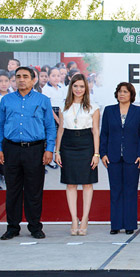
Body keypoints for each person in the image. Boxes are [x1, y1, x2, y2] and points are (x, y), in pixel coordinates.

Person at [0, 67, 56, 240]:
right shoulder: (6, 100)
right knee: (12, 190)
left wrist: (49, 149)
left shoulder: (42, 100)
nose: (21, 80)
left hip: (35, 150)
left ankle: (35, 227)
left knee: (33, 190)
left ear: (33, 80)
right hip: (11, 149)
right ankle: (12, 227)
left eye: (25, 77)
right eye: (18, 76)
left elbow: (50, 127)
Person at [54, 74, 100, 236]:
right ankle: (74, 219)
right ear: (71, 87)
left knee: (87, 184)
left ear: (86, 88)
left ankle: (85, 218)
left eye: (81, 86)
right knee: (71, 184)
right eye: (76, 86)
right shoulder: (63, 106)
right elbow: (60, 130)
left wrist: (96, 153)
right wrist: (57, 151)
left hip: (86, 144)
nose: (79, 89)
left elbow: (95, 131)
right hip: (67, 144)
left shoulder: (93, 107)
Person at [100, 82, 140, 235]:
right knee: (115, 191)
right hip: (112, 157)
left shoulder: (139, 111)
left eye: (125, 92)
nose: (122, 94)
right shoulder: (109, 110)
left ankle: (129, 225)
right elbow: (104, 133)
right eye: (120, 91)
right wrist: (103, 153)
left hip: (132, 158)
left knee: (130, 191)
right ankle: (115, 224)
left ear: (131, 95)